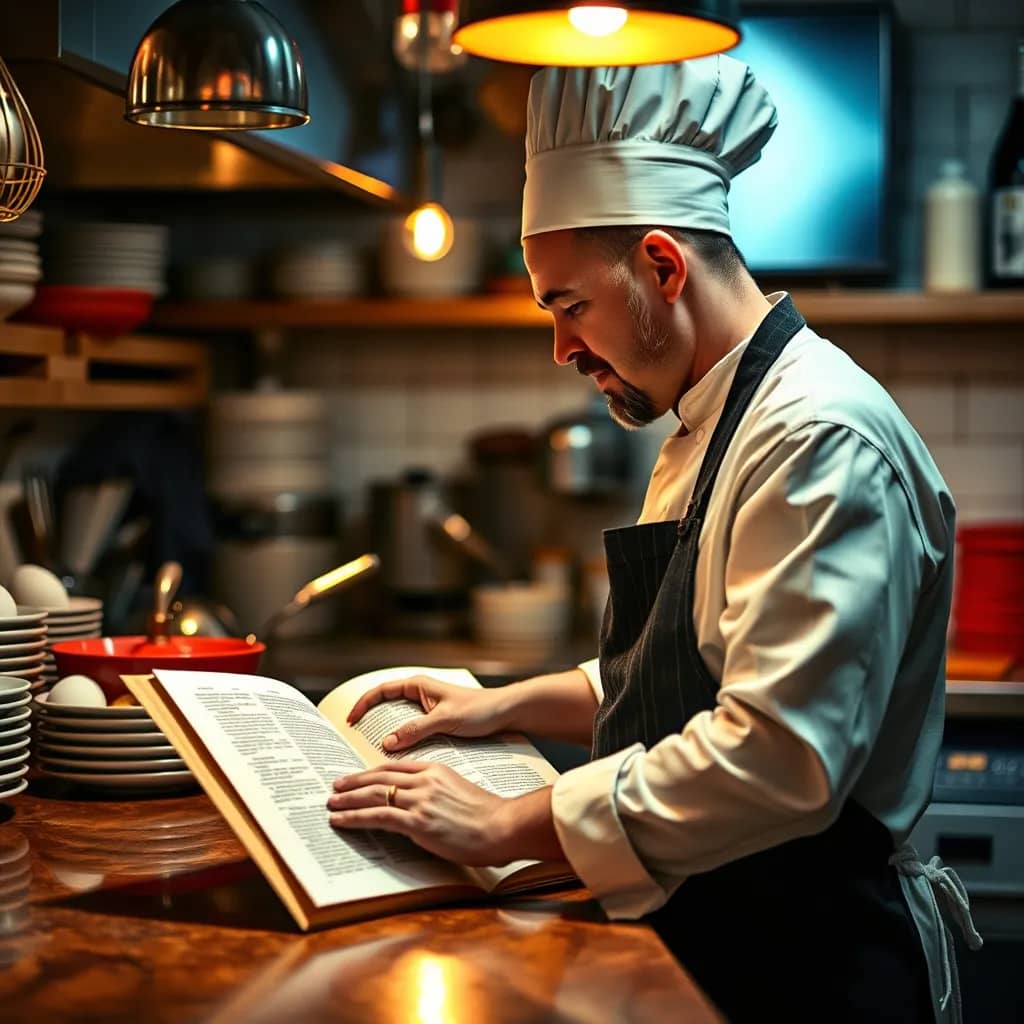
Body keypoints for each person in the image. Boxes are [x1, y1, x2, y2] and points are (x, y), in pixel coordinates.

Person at [326, 57, 981, 1022]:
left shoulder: (815, 441)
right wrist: (504, 706)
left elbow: (777, 757)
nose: (561, 349)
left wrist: (507, 820)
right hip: (720, 936)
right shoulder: (711, 416)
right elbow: (697, 673)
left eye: (569, 306)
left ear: (664, 267)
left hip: (814, 962)